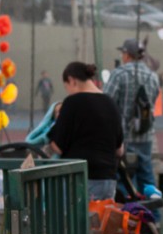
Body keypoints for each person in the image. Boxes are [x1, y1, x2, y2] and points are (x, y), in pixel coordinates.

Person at [48, 62, 123, 200]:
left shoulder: (72, 102)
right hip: (108, 180)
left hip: (80, 179)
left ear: (72, 80)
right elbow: (119, 150)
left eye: (67, 87)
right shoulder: (111, 103)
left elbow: (58, 147)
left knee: (74, 221)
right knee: (100, 221)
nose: (68, 92)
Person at [104, 39, 161, 198]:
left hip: (122, 137)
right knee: (146, 177)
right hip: (145, 135)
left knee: (123, 178)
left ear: (127, 55)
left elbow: (107, 102)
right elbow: (153, 100)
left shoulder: (119, 74)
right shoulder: (152, 77)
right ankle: (152, 217)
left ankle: (127, 216)